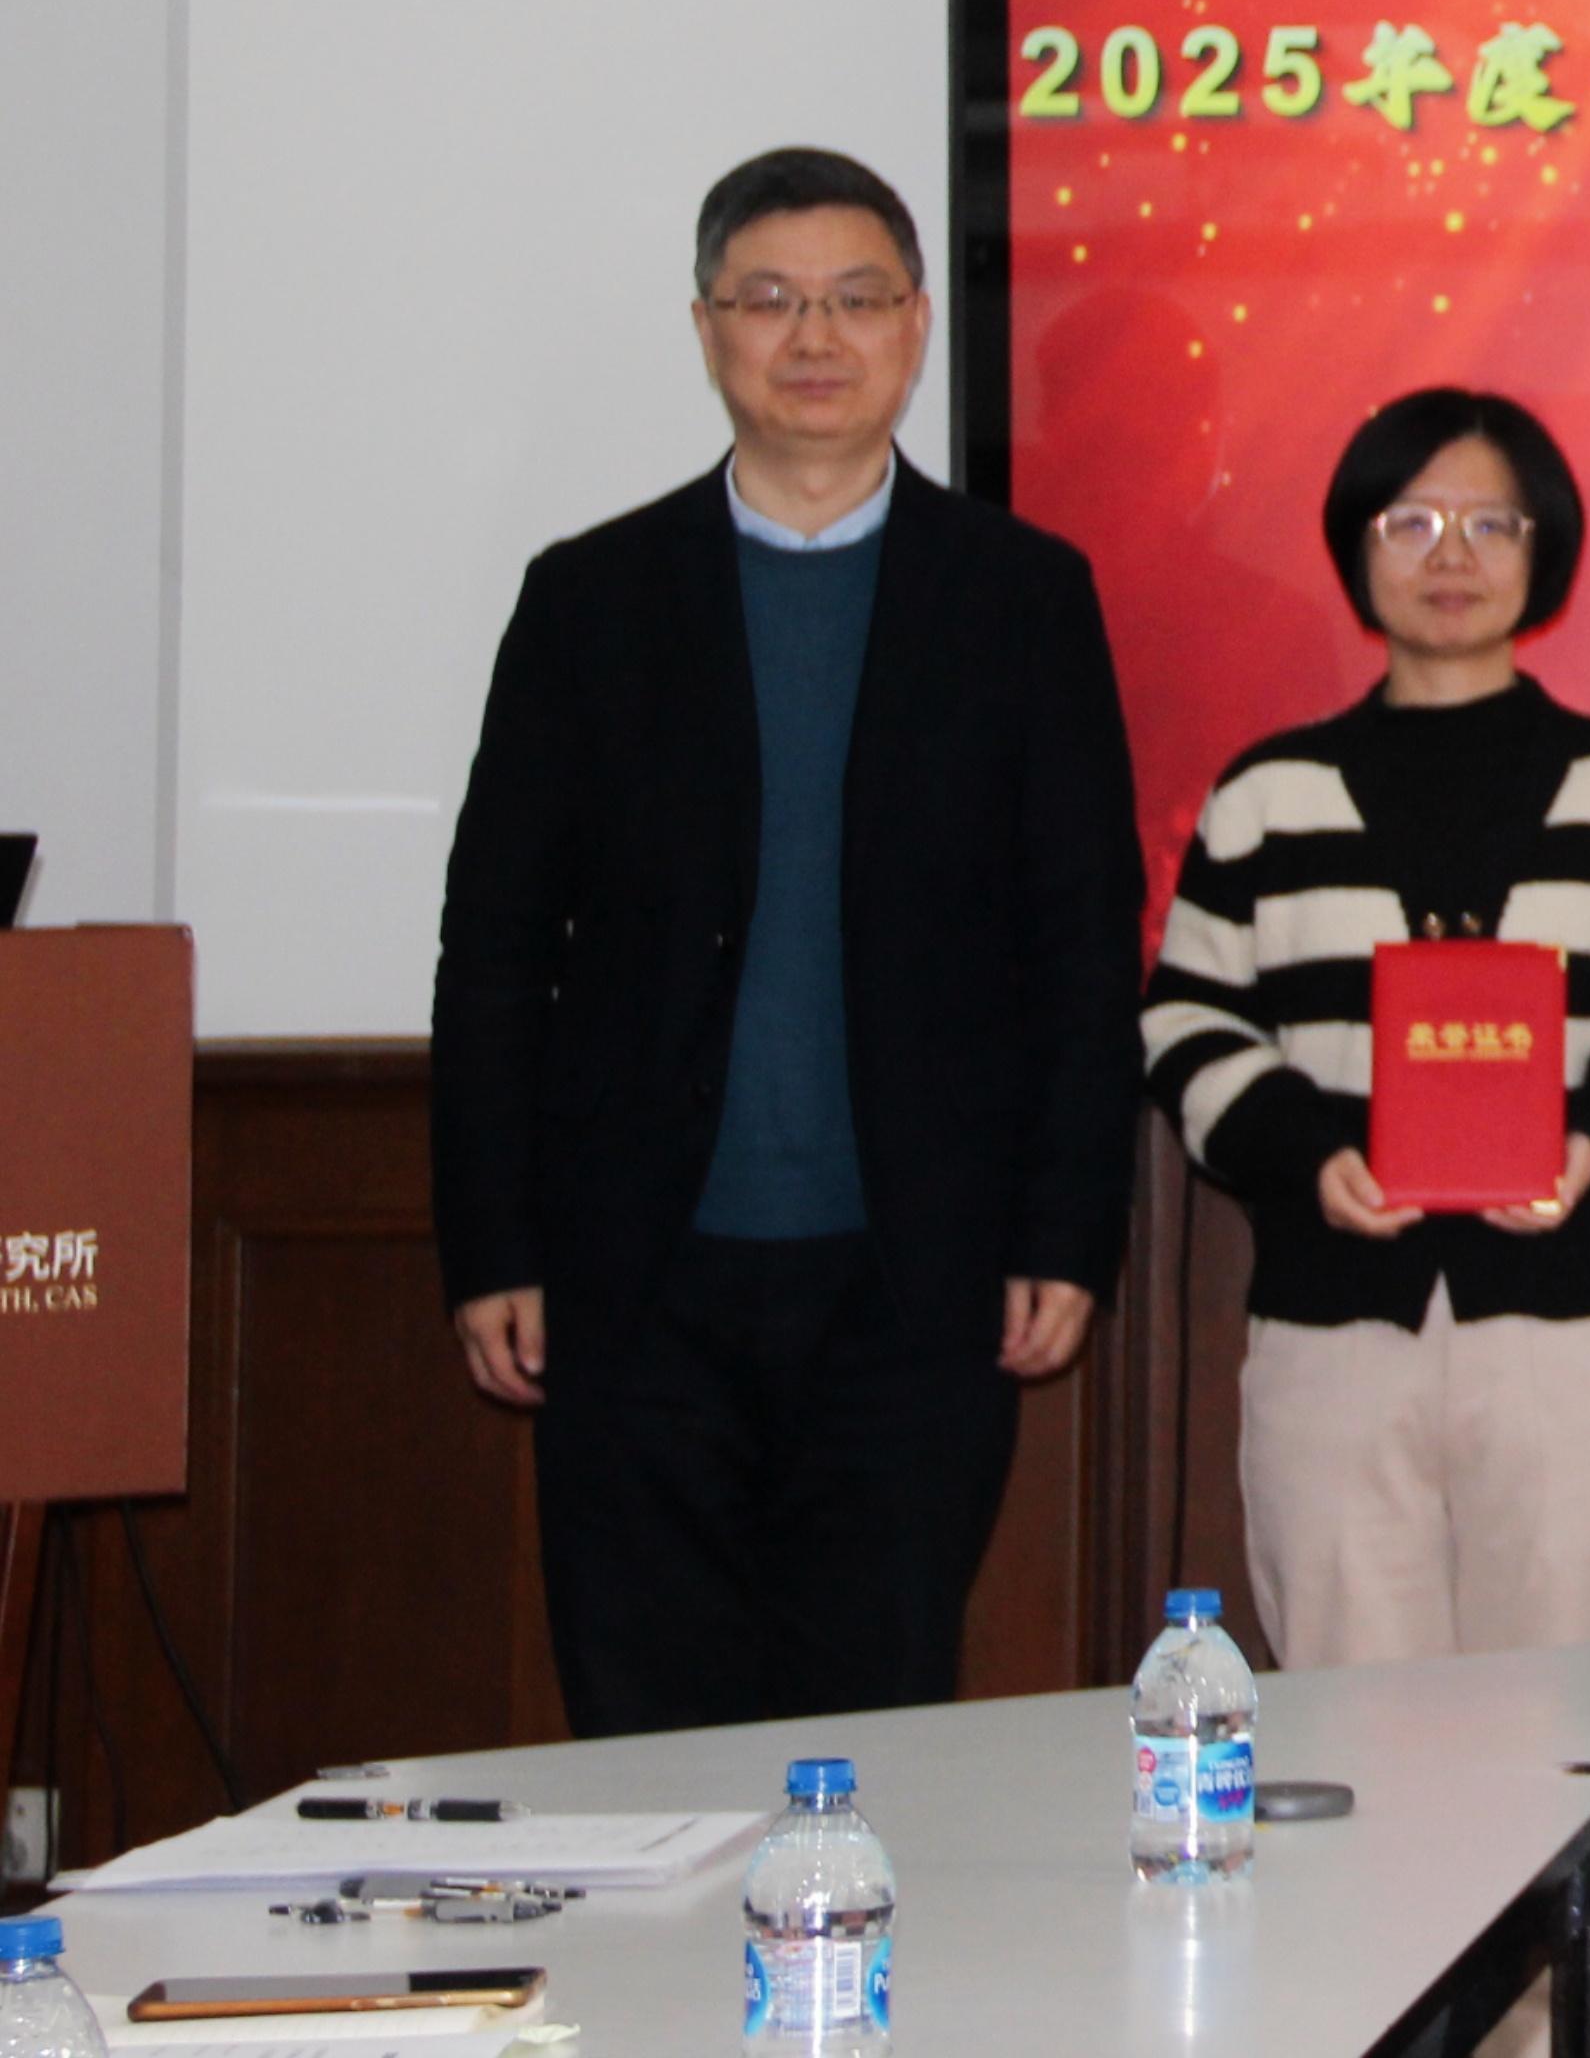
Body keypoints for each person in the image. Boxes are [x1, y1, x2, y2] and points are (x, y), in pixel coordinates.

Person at [430, 146, 1142, 1732]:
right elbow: (493, 950)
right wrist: (493, 1244)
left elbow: (1087, 946)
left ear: (917, 326)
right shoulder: (591, 599)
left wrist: (1066, 1230)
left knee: (875, 1713)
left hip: (918, 1275)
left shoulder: (1021, 598)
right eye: (769, 300)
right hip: (632, 1274)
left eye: (856, 299)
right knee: (643, 1726)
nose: (814, 336)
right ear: (708, 331)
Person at [1136, 388, 1590, 1666]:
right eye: (1410, 523)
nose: (1451, 555)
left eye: (1490, 523)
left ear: (1545, 550)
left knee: (1565, 1716)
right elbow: (1188, 1021)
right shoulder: (1268, 795)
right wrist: (1311, 1153)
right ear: (1357, 547)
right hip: (1334, 1328)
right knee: (1353, 1717)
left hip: (1567, 1325)